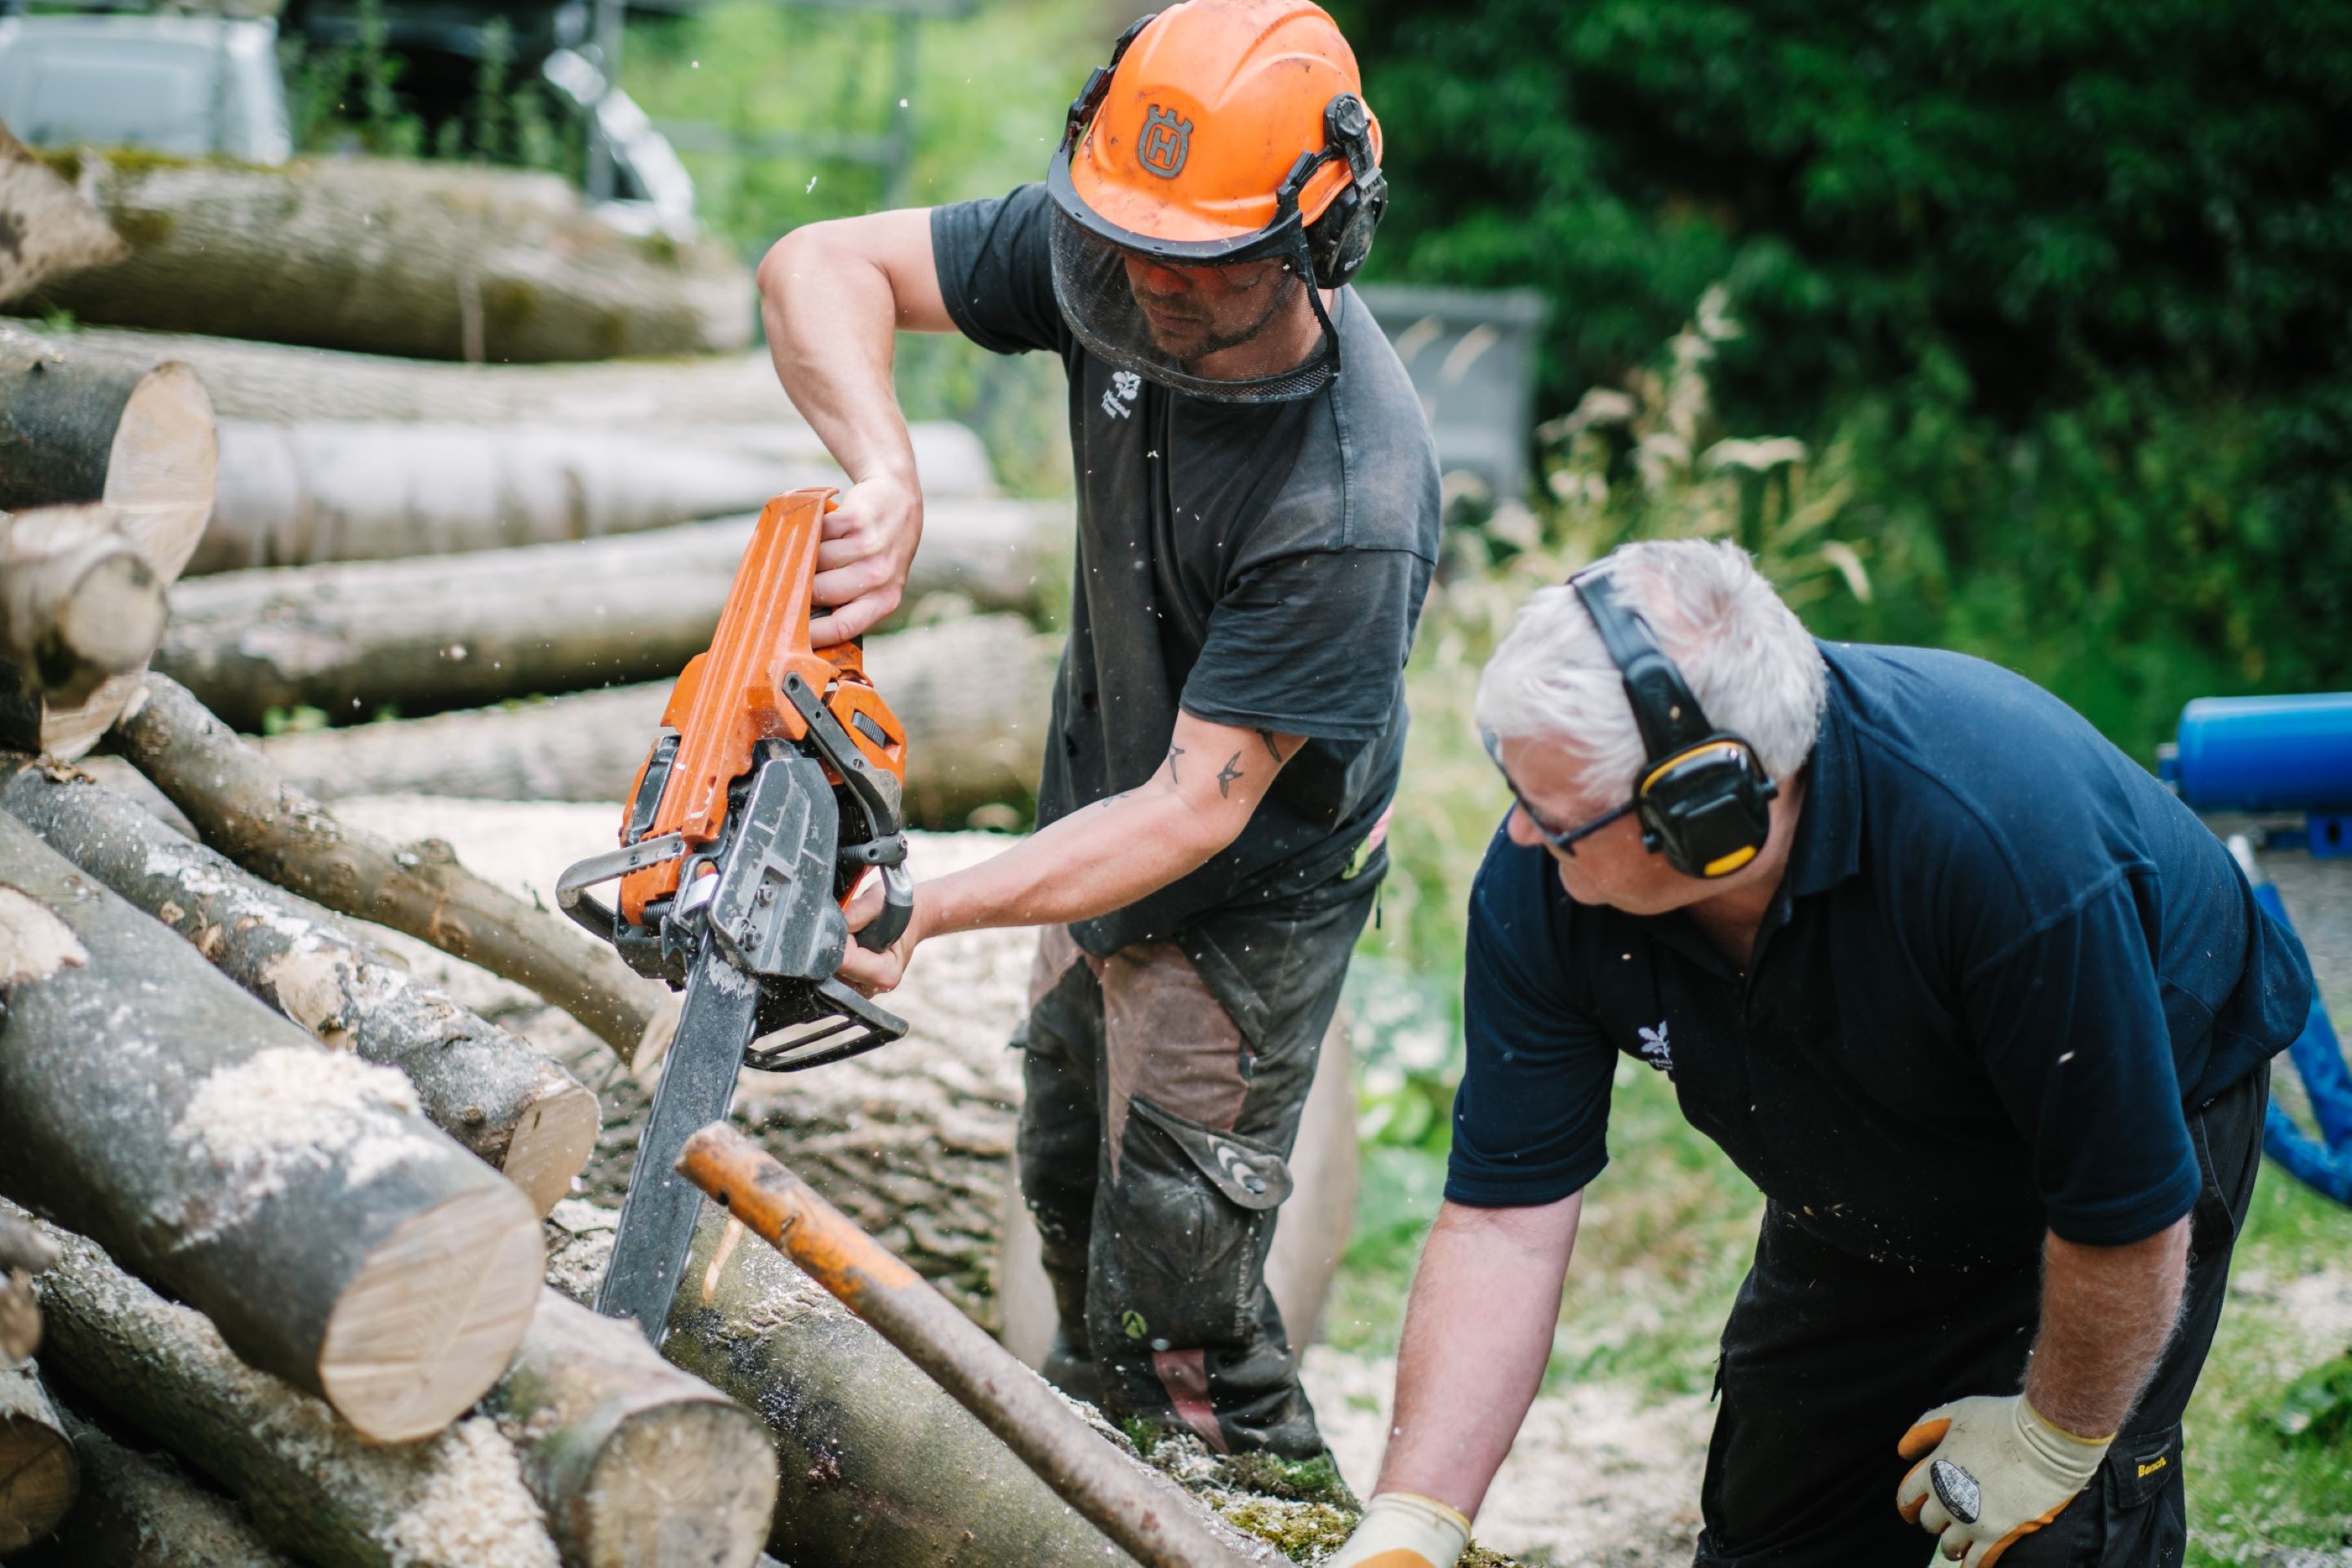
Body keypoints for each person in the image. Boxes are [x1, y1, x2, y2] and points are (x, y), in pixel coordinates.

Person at [1326, 539, 2314, 1567]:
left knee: (2046, 1538)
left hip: (2122, 1118)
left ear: (1709, 817)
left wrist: (2054, 1439)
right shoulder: (1548, 879)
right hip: (1862, 1144)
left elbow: (2123, 1211)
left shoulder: (2000, 848)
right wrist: (1416, 1518)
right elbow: (1503, 1224)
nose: (1521, 837)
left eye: (1560, 816)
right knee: (1779, 1533)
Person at [755, 0, 1439, 1459]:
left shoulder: (1349, 501)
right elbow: (817, 263)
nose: (1150, 286)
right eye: (1132, 239)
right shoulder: (1111, 256)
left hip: (1244, 886)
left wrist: (930, 905)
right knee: (1066, 1181)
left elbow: (1196, 816)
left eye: (1201, 262)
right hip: (1098, 806)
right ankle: (1085, 1471)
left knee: (1184, 1295)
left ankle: (1257, 1514)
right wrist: (886, 471)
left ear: (1321, 236)